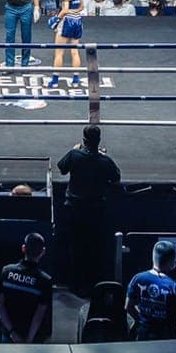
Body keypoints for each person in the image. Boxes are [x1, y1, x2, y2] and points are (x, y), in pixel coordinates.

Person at [57, 125, 121, 296]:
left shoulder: (75, 155)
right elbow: (116, 177)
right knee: (94, 249)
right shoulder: (104, 161)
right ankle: (93, 285)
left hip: (74, 211)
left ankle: (75, 285)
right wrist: (103, 155)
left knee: (75, 248)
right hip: (95, 213)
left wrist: (73, 150)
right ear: (98, 141)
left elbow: (61, 167)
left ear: (84, 140)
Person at [0, 232, 53, 343]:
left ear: (23, 248)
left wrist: (12, 332)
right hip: (33, 339)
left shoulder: (6, 271)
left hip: (9, 336)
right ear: (43, 251)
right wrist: (29, 341)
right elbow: (39, 315)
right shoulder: (45, 281)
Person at [125, 240, 176, 341]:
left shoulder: (138, 279)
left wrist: (141, 320)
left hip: (143, 337)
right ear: (172, 261)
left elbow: (128, 306)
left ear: (153, 258)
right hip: (168, 340)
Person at [47, 0, 85, 87]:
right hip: (77, 20)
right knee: (74, 51)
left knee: (59, 53)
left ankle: (54, 81)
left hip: (67, 21)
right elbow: (82, 7)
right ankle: (75, 80)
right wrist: (75, 13)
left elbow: (65, 10)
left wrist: (56, 20)